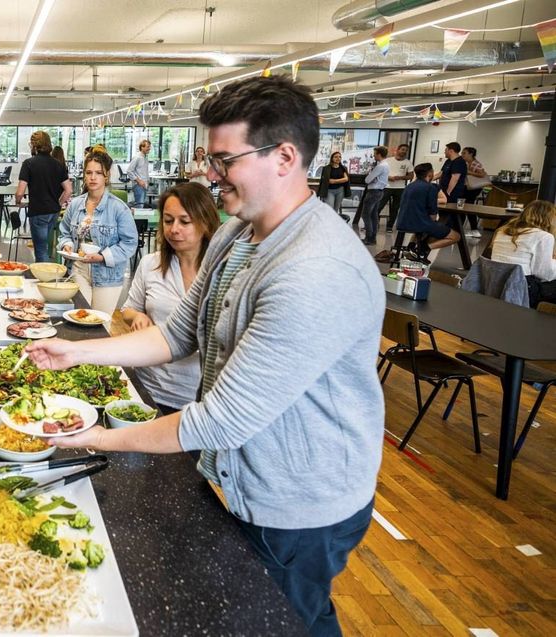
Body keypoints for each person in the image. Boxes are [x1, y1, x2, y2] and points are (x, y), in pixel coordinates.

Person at [29, 76, 384, 637]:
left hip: (296, 501)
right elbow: (178, 335)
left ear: (285, 157)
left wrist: (91, 437)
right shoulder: (237, 235)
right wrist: (79, 355)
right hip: (239, 475)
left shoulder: (316, 270)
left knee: (282, 620)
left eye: (224, 160)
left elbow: (222, 418)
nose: (209, 173)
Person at [120, 182, 219, 413]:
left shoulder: (223, 271)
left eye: (185, 221)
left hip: (199, 398)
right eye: (168, 220)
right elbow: (128, 309)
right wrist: (138, 317)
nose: (174, 229)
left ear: (205, 222)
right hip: (149, 387)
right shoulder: (150, 264)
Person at [58, 150, 138, 315]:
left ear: (106, 176)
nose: (93, 177)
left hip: (107, 276)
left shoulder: (119, 208)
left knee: (100, 324)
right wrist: (67, 245)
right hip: (78, 269)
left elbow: (129, 243)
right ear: (84, 175)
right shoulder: (75, 205)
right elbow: (64, 232)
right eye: (89, 173)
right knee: (79, 318)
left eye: (98, 173)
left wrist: (103, 256)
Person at [14, 131, 73, 263]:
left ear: (34, 145)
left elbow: (20, 192)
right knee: (45, 246)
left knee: (41, 250)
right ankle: (44, 274)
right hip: (54, 211)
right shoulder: (58, 164)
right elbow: (68, 190)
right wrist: (58, 203)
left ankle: (45, 278)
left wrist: (18, 201)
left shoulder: (29, 163)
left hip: (38, 211)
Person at [389, 162, 459, 264]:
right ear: (430, 173)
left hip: (402, 222)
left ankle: (412, 247)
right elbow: (433, 215)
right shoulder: (430, 188)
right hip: (419, 224)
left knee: (426, 229)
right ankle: (423, 249)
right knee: (455, 236)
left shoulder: (409, 186)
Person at [491, 200, 556, 307]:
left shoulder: (503, 231)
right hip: (524, 288)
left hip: (496, 283)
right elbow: (544, 274)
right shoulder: (544, 236)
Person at [379, 143, 415, 233]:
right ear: (397, 150)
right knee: (379, 206)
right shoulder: (387, 161)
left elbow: (411, 176)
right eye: (402, 149)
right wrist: (388, 177)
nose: (404, 152)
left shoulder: (408, 163)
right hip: (387, 187)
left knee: (395, 208)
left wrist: (400, 177)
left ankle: (390, 226)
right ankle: (373, 223)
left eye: (406, 150)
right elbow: (380, 172)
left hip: (400, 188)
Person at [357, 146, 389, 245]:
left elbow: (367, 180)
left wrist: (371, 178)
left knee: (365, 215)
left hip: (373, 192)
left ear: (379, 154)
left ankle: (369, 238)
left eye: (375, 154)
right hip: (379, 191)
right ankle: (373, 238)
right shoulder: (386, 164)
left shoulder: (380, 166)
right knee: (374, 215)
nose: (374, 155)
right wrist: (373, 178)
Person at [438, 141, 467, 232]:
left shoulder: (459, 162)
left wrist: (448, 192)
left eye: (445, 150)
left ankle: (449, 231)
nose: (444, 152)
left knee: (450, 213)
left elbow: (455, 178)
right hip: (443, 191)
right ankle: (442, 229)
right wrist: (426, 179)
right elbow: (440, 174)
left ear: (451, 151)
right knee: (442, 211)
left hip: (453, 193)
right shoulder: (448, 161)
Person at [462, 146, 490, 237]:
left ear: (471, 154)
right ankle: (466, 228)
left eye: (464, 153)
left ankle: (474, 230)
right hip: (468, 187)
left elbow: (482, 174)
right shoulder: (466, 163)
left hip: (474, 188)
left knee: (468, 206)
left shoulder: (476, 164)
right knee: (464, 206)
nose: (462, 155)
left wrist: (469, 173)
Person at [316, 151, 350, 220]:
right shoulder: (326, 168)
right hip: (329, 191)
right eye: (336, 157)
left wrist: (334, 181)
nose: (338, 158)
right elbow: (325, 181)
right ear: (332, 158)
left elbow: (346, 179)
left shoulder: (343, 168)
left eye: (340, 157)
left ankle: (332, 226)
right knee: (329, 209)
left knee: (335, 210)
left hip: (340, 191)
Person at [126, 139, 152, 207]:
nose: (149, 148)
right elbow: (129, 171)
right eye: (147, 147)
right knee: (139, 207)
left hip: (144, 185)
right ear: (142, 147)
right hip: (139, 185)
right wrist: (139, 181)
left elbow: (144, 172)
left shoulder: (145, 158)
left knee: (141, 206)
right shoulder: (137, 157)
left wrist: (147, 181)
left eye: (149, 147)